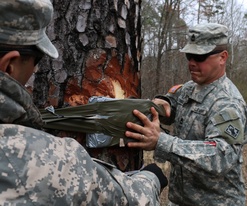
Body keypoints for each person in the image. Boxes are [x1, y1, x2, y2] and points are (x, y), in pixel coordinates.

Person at [0, 0, 168, 205]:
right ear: (9, 66)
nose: (35, 72)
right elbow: (134, 199)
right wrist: (151, 177)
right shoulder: (42, 159)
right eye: (37, 61)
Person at [125, 23, 247, 206]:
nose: (192, 62)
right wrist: (164, 103)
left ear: (222, 57)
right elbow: (174, 103)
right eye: (189, 55)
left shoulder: (227, 103)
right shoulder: (189, 88)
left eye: (200, 56)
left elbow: (220, 158)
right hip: (180, 200)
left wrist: (162, 142)